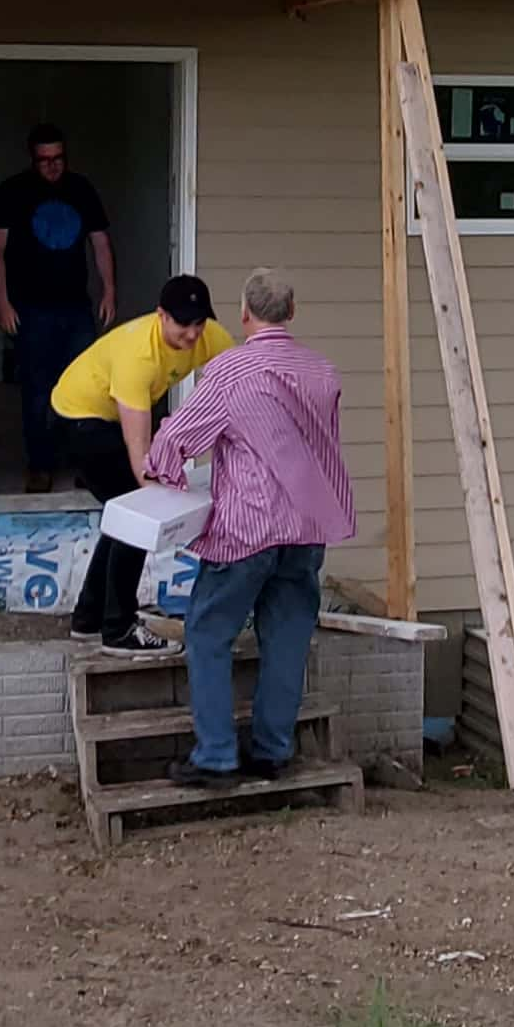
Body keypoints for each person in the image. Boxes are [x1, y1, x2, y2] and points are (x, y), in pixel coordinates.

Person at [140, 267, 352, 783]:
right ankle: (272, 752)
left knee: (209, 631)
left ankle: (215, 756)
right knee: (287, 636)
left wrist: (163, 480)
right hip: (307, 527)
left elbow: (177, 438)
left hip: (247, 529)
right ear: (292, 313)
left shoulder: (232, 373)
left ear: (244, 314)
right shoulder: (322, 373)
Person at [46, 276, 233, 640]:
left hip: (108, 419)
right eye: (183, 324)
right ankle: (117, 628)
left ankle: (89, 617)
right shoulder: (139, 356)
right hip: (75, 418)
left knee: (123, 516)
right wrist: (160, 497)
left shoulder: (211, 336)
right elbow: (140, 459)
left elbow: (236, 388)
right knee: (136, 512)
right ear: (161, 315)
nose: (193, 334)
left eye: (198, 323)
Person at [0, 124, 117, 487]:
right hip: (30, 309)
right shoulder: (12, 192)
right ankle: (39, 465)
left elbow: (101, 243)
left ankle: (86, 467)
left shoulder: (81, 189)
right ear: (33, 159)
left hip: (76, 306)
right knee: (36, 390)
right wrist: (1, 302)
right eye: (44, 160)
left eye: (58, 158)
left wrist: (109, 291)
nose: (52, 166)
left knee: (86, 388)